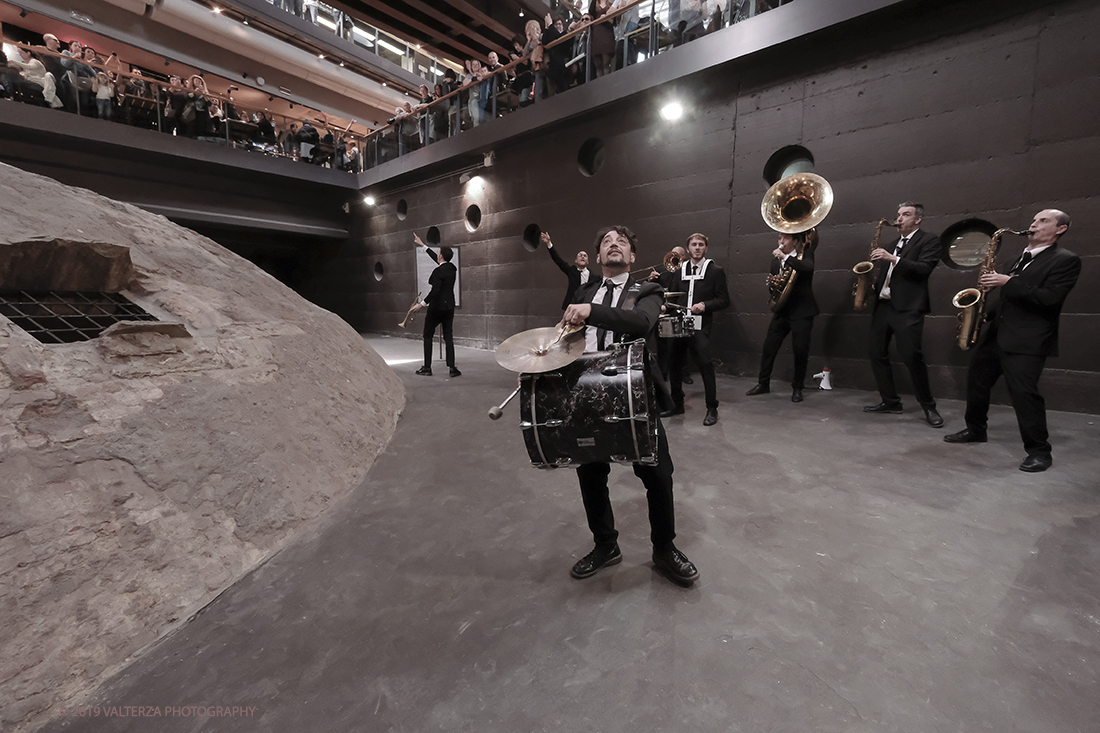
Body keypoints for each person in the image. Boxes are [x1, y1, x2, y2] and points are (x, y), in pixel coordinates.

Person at [559, 225, 698, 586]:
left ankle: (664, 549)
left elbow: (641, 322)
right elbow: (566, 338)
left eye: (621, 241)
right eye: (606, 240)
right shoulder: (584, 289)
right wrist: (537, 368)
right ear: (600, 255)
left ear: (632, 256)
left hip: (635, 391)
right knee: (590, 474)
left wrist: (591, 310)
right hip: (588, 393)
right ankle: (606, 546)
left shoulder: (646, 290)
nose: (613, 244)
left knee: (657, 475)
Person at [944, 209, 1081, 472]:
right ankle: (975, 430)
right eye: (1034, 220)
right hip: (998, 334)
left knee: (1024, 395)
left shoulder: (1066, 261)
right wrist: (986, 314)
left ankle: (1040, 451)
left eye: (1043, 221)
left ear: (1060, 229)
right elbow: (1008, 299)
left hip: (1029, 340)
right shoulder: (1016, 259)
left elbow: (1050, 298)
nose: (1034, 224)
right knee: (977, 382)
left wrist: (1007, 281)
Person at [863, 202, 944, 427]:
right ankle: (890, 402)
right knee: (876, 353)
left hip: (908, 308)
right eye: (898, 214)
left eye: (905, 215)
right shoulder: (892, 243)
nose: (898, 219)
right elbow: (889, 276)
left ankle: (929, 407)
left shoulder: (929, 240)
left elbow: (924, 268)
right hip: (884, 306)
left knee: (911, 356)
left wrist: (893, 259)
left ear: (918, 219)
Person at [746, 229, 819, 402]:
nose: (781, 240)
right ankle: (763, 383)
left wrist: (785, 257)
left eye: (785, 237)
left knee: (800, 350)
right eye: (779, 237)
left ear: (794, 241)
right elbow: (777, 290)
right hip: (783, 311)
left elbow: (807, 269)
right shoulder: (775, 262)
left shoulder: (804, 255)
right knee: (769, 347)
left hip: (802, 312)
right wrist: (771, 285)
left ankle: (797, 388)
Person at [666, 232, 730, 426]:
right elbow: (673, 298)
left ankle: (712, 408)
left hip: (700, 326)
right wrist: (665, 305)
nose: (697, 247)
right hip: (679, 324)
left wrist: (705, 305)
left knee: (705, 365)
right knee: (674, 365)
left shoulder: (715, 271)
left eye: (701, 244)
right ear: (688, 248)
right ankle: (677, 403)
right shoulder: (679, 270)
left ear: (706, 248)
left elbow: (724, 300)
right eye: (693, 244)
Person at [411, 234, 460, 377]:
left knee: (427, 335)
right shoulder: (452, 269)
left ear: (441, 257)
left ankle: (427, 367)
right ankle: (452, 368)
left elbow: (435, 291)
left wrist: (421, 304)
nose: (437, 255)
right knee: (448, 336)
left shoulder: (437, 272)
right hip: (449, 307)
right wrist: (422, 245)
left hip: (436, 308)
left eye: (438, 253)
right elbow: (438, 261)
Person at [542, 231, 591, 310]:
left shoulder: (592, 276)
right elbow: (558, 261)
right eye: (580, 255)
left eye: (585, 256)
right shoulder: (572, 271)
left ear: (588, 261)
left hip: (585, 307)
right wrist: (549, 243)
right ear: (576, 260)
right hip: (571, 306)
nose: (582, 257)